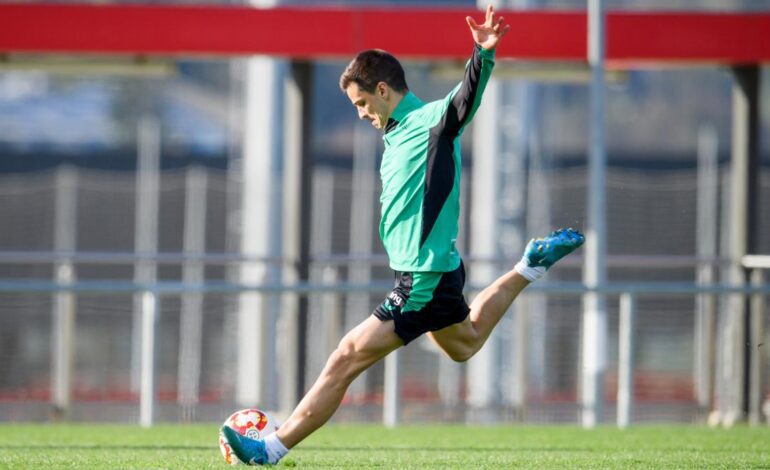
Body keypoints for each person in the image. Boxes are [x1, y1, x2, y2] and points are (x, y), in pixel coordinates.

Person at [222, 5, 584, 465]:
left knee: (346, 356)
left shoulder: (432, 122)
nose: (360, 114)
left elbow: (465, 99)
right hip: (439, 271)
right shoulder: (395, 135)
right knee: (465, 342)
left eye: (361, 103)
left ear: (382, 89)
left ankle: (270, 450)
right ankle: (529, 264)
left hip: (422, 279)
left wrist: (483, 53)